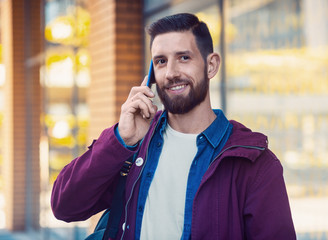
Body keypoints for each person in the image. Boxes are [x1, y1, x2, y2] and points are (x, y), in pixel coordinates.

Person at [51, 13, 296, 240]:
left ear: (211, 65)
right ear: (151, 75)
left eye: (184, 58)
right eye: (160, 61)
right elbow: (65, 206)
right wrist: (120, 140)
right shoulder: (134, 146)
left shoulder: (255, 165)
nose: (170, 73)